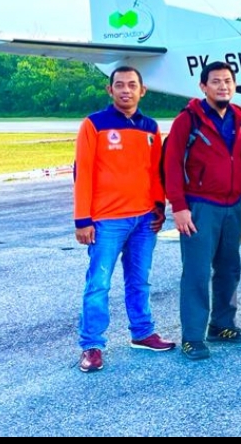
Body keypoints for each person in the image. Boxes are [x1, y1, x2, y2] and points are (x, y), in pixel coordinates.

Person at [74, 65, 175, 373]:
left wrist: (159, 206)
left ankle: (142, 332)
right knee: (99, 284)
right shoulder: (94, 124)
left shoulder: (150, 127)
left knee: (139, 280)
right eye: (119, 85)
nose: (126, 90)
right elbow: (83, 172)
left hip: (144, 220)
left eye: (132, 85)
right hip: (107, 221)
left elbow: (155, 171)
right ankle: (92, 345)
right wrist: (82, 220)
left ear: (142, 90)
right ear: (110, 90)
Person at [165, 61, 241, 361]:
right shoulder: (187, 120)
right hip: (200, 207)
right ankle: (192, 337)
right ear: (203, 86)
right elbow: (171, 165)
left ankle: (222, 325)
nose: (222, 86)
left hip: (233, 206)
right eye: (215, 81)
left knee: (229, 268)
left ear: (234, 85)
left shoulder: (238, 118)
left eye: (227, 81)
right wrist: (179, 207)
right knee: (197, 272)